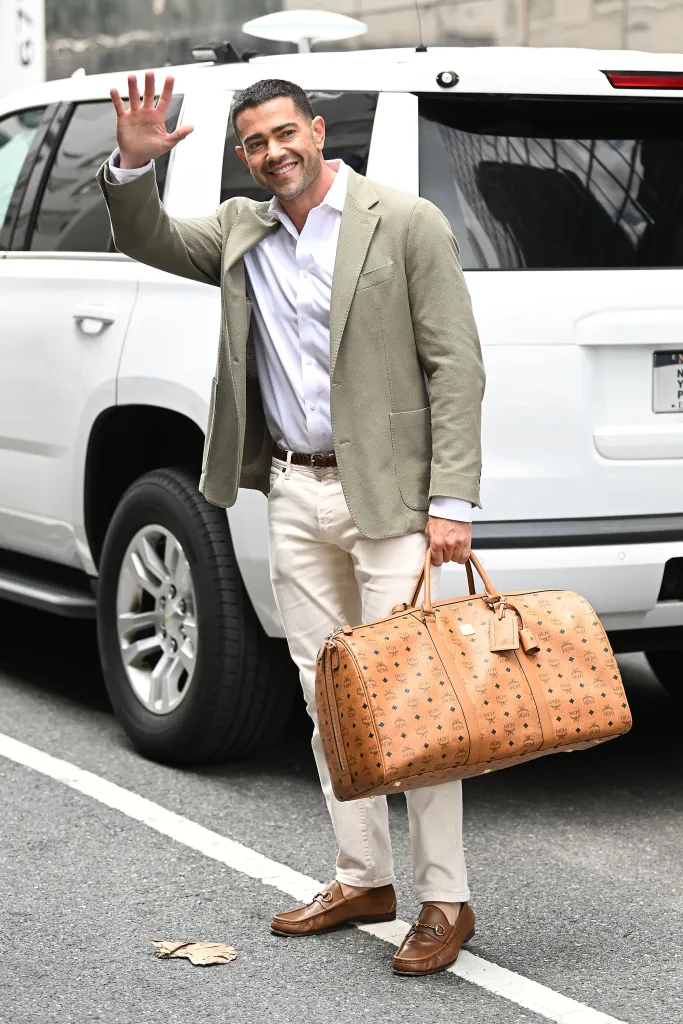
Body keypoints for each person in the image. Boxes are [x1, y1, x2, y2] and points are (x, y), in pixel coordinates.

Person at [99, 72, 485, 976]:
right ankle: (363, 878)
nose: (272, 153)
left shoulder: (404, 221)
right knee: (325, 695)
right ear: (243, 156)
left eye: (283, 134)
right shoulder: (243, 230)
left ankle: (446, 898)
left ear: (316, 130)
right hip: (292, 489)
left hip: (389, 497)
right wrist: (132, 165)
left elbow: (455, 367)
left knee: (413, 700)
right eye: (254, 144)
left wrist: (450, 504)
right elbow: (148, 238)